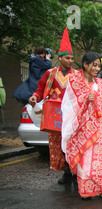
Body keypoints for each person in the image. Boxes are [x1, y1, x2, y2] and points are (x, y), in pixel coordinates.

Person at [61, 51, 102, 199]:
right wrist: (85, 97)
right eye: (95, 65)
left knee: (99, 158)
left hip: (99, 126)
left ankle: (101, 186)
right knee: (85, 159)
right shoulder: (74, 81)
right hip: (81, 127)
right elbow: (67, 105)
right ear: (85, 64)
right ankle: (86, 190)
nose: (97, 69)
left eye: (98, 66)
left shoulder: (100, 83)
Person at [28, 28, 76, 185]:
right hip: (55, 115)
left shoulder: (77, 75)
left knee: (72, 142)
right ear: (60, 58)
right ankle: (66, 171)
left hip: (71, 115)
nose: (70, 60)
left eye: (72, 58)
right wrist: (35, 97)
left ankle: (73, 170)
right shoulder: (50, 73)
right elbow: (40, 89)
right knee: (57, 144)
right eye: (67, 58)